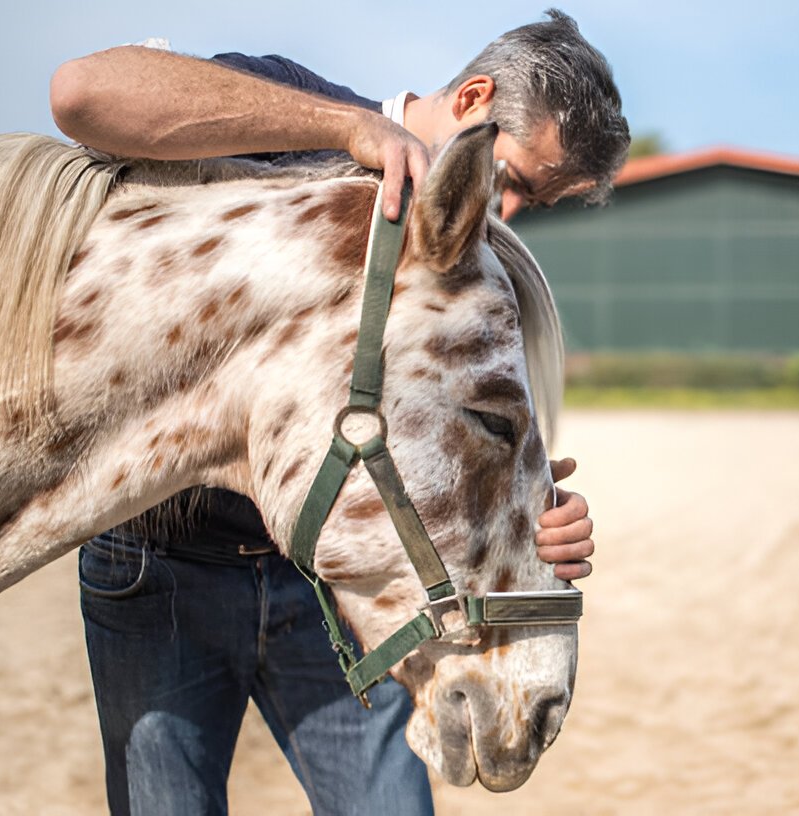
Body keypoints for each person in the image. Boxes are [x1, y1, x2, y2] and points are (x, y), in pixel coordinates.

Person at [49, 10, 628, 815]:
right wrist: (346, 125)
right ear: (475, 98)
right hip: (159, 569)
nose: (512, 215)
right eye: (519, 182)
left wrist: (536, 516)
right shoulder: (292, 114)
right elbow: (83, 95)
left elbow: (453, 443)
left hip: (326, 590)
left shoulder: (477, 261)